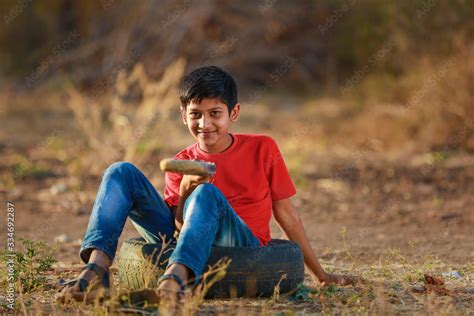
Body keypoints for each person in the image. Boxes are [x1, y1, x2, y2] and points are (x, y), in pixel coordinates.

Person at [56, 65, 355, 306]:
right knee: (120, 171)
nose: (205, 124)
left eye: (215, 114)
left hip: (241, 243)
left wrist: (321, 274)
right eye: (195, 115)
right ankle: (96, 270)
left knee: (208, 193)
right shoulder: (181, 161)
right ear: (183, 116)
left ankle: (176, 279)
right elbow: (177, 229)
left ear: (233, 114)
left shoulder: (263, 149)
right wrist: (185, 188)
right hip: (186, 238)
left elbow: (287, 216)